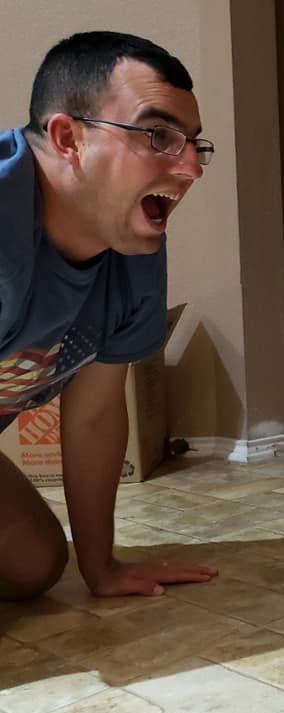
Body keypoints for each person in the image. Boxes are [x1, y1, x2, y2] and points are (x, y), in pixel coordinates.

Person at [0, 31, 219, 599]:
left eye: (195, 144)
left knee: (36, 564)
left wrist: (101, 568)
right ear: (68, 138)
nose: (192, 168)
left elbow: (95, 414)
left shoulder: (130, 246)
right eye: (157, 135)